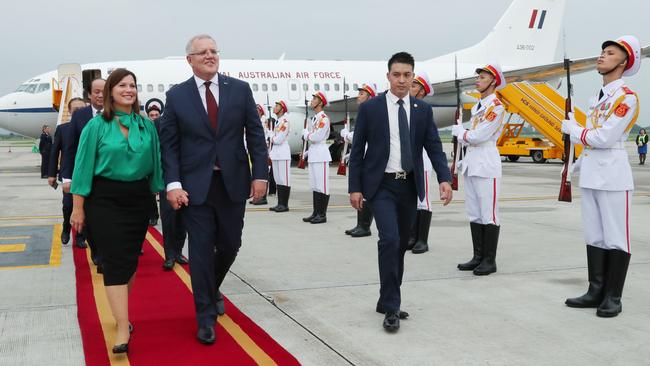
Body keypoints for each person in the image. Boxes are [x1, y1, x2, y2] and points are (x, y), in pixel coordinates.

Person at [158, 34, 268, 345]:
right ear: (189, 60)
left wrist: (261, 174)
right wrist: (173, 183)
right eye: (202, 52)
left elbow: (255, 136)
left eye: (214, 51)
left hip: (233, 183)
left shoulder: (240, 90)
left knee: (231, 244)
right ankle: (205, 315)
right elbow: (169, 144)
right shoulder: (177, 96)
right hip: (195, 188)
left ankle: (210, 287)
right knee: (202, 253)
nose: (210, 56)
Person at [348, 52, 452, 332]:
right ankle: (392, 307)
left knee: (401, 245)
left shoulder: (421, 109)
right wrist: (354, 187)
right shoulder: (371, 109)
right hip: (381, 185)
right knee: (389, 240)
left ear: (413, 77)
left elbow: (433, 146)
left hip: (409, 185)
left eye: (407, 75)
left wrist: (444, 178)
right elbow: (357, 152)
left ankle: (386, 298)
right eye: (397, 75)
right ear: (388, 76)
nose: (402, 80)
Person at [70, 68, 164, 353]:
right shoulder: (97, 126)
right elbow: (83, 167)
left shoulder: (146, 126)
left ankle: (119, 311)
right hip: (104, 200)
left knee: (129, 262)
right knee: (113, 262)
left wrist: (162, 192)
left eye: (132, 85)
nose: (128, 89)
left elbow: (156, 163)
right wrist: (78, 208)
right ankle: (123, 326)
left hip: (137, 200)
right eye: (122, 85)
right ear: (110, 91)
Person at [562, 35, 641, 318]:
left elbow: (605, 137)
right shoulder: (597, 98)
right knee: (594, 234)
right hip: (593, 173)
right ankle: (596, 290)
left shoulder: (626, 98)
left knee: (616, 237)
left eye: (609, 53)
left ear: (624, 62)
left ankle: (613, 296)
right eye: (602, 52)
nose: (601, 56)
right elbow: (593, 139)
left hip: (613, 174)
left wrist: (574, 129)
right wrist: (576, 165)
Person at [452, 64, 507, 276]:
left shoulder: (496, 107)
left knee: (489, 214)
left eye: (482, 77)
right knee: (474, 213)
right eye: (478, 77)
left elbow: (478, 136)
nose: (478, 80)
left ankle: (489, 260)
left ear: (493, 81)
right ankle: (477, 256)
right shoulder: (478, 107)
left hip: (486, 161)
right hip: (473, 162)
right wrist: (464, 134)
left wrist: (460, 132)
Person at [62, 78, 106, 258]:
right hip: (86, 177)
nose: (101, 95)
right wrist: (67, 178)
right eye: (96, 91)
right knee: (91, 218)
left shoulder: (117, 113)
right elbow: (70, 148)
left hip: (109, 176)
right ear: (89, 95)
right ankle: (96, 250)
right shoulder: (80, 116)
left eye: (104, 91)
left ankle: (106, 252)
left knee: (107, 218)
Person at [149, 104, 189, 270]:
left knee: (183, 218)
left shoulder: (189, 120)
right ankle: (169, 255)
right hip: (167, 176)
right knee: (169, 217)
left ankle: (178, 251)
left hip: (188, 175)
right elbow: (154, 151)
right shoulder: (158, 123)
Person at [48, 98, 86, 245]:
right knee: (68, 205)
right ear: (69, 111)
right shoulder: (63, 129)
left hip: (87, 174)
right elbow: (54, 152)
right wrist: (51, 174)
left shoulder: (93, 126)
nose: (78, 112)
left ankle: (80, 237)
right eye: (75, 109)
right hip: (69, 174)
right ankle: (66, 227)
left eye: (82, 109)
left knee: (86, 207)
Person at [342, 82, 377, 237]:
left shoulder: (373, 112)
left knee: (368, 193)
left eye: (362, 93)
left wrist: (348, 135)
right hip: (363, 157)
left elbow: (365, 136)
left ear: (369, 97)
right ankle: (360, 224)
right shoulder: (365, 112)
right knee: (361, 191)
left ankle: (365, 226)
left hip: (370, 158)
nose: (359, 96)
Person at [408, 73, 434, 254]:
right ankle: (412, 236)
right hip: (410, 159)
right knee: (413, 200)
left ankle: (422, 240)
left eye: (414, 86)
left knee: (423, 200)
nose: (410, 87)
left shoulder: (424, 110)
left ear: (422, 91)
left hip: (422, 159)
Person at [302, 91, 332, 224]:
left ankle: (322, 214)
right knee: (314, 185)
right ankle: (316, 212)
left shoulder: (324, 118)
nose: (312, 100)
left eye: (315, 98)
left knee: (322, 185)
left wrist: (306, 135)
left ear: (320, 102)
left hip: (321, 154)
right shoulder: (315, 118)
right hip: (314, 154)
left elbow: (316, 137)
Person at [268, 100, 291, 212]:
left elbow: (278, 140)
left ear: (282, 109)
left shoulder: (284, 122)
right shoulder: (278, 121)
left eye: (277, 106)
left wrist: (271, 136)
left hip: (283, 153)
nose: (274, 107)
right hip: (276, 154)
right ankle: (280, 203)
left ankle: (284, 205)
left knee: (284, 179)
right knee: (278, 179)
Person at [146, 105, 162, 227]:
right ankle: (153, 215)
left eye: (157, 115)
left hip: (162, 164)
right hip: (149, 164)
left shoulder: (164, 128)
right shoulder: (145, 128)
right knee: (150, 193)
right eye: (152, 115)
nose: (154, 118)